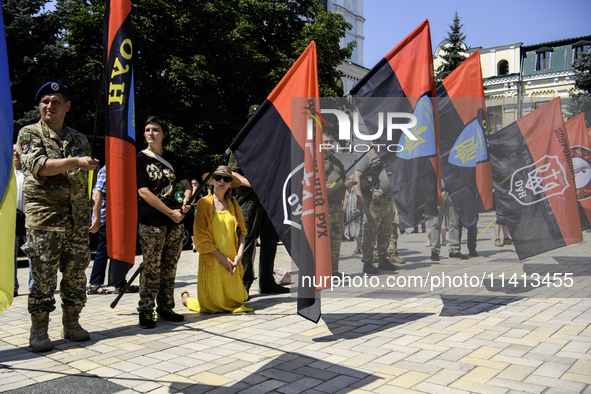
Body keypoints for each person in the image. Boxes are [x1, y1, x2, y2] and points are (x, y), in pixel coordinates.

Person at [17, 82, 99, 352]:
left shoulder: (79, 139)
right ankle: (39, 330)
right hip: (45, 220)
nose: (49, 106)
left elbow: (88, 178)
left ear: (67, 106)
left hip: (75, 220)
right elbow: (39, 166)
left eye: (55, 101)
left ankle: (72, 323)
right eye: (44, 101)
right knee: (42, 278)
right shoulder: (29, 133)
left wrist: (90, 207)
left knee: (76, 276)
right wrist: (76, 162)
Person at [136, 116, 192, 329]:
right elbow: (143, 191)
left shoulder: (174, 159)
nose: (151, 133)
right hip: (153, 222)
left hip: (176, 222)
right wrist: (170, 212)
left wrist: (186, 199)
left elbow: (186, 183)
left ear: (164, 134)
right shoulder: (140, 159)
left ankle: (166, 306)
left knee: (169, 266)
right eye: (148, 129)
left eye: (156, 130)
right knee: (151, 267)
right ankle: (146, 310)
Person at [228, 104, 288, 294]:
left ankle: (267, 281)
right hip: (249, 199)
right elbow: (231, 174)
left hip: (269, 199)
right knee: (246, 241)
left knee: (270, 241)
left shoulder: (272, 143)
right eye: (252, 117)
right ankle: (244, 283)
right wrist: (252, 183)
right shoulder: (242, 143)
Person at [181, 166, 252, 313]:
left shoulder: (233, 203)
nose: (222, 181)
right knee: (210, 306)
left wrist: (239, 255)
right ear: (211, 181)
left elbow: (243, 232)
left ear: (230, 184)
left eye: (226, 179)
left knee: (238, 301)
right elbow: (202, 238)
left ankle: (188, 298)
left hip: (231, 261)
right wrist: (221, 259)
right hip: (213, 260)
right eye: (218, 178)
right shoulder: (203, 203)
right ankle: (187, 299)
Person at [88, 165, 138, 294]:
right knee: (104, 249)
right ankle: (95, 284)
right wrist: (97, 219)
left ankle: (119, 282)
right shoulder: (108, 169)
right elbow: (97, 193)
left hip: (118, 217)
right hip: (107, 217)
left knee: (118, 249)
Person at [352, 145, 398, 274]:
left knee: (386, 231)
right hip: (373, 201)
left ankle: (383, 259)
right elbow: (356, 177)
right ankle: (367, 262)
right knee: (370, 231)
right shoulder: (367, 157)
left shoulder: (387, 156)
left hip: (388, 200)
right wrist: (359, 197)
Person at [322, 130, 352, 276]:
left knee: (336, 239)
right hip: (323, 206)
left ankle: (334, 270)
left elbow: (343, 182)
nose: (328, 144)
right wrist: (320, 187)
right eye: (325, 141)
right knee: (322, 241)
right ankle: (322, 271)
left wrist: (348, 184)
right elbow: (306, 182)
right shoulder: (314, 160)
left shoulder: (337, 161)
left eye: (330, 141)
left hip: (337, 206)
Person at [430, 182, 468, 261]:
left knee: (454, 222)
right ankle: (435, 250)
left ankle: (454, 250)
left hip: (452, 191)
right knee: (436, 223)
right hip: (438, 192)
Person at [13, 144, 26, 297]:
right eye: (14, 151)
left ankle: (34, 286)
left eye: (18, 151)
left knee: (34, 256)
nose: (16, 154)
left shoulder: (30, 173)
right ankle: (12, 287)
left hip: (29, 220)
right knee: (10, 257)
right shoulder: (7, 174)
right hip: (11, 220)